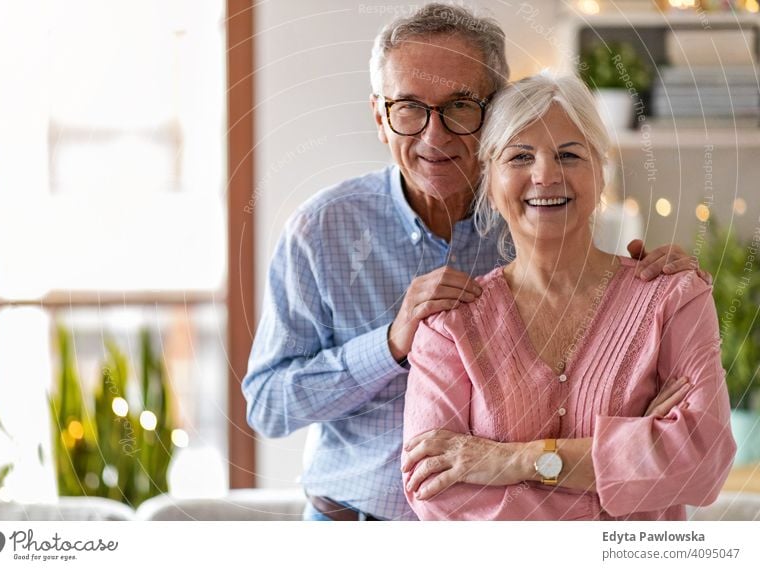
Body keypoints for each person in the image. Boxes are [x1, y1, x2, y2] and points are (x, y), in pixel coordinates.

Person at [242, 3, 705, 522]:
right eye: (408, 108)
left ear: (497, 112)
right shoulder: (320, 231)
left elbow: (630, 402)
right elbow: (268, 407)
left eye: (460, 106)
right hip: (353, 524)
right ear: (380, 116)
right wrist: (391, 344)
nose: (433, 136)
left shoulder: (541, 210)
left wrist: (660, 296)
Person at [401, 72, 736, 520]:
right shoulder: (449, 325)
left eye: (569, 155)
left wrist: (510, 461)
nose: (545, 174)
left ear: (600, 173)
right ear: (490, 179)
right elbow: (434, 493)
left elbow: (704, 463)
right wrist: (627, 456)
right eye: (520, 156)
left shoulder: (674, 297)